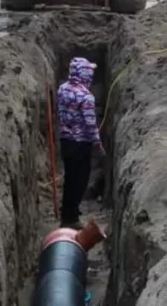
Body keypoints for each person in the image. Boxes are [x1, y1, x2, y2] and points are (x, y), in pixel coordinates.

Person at [56, 57, 104, 228]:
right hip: (80, 144)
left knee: (70, 179)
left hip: (66, 141)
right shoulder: (86, 97)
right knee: (80, 181)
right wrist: (97, 143)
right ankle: (72, 218)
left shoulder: (62, 89)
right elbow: (90, 123)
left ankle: (67, 214)